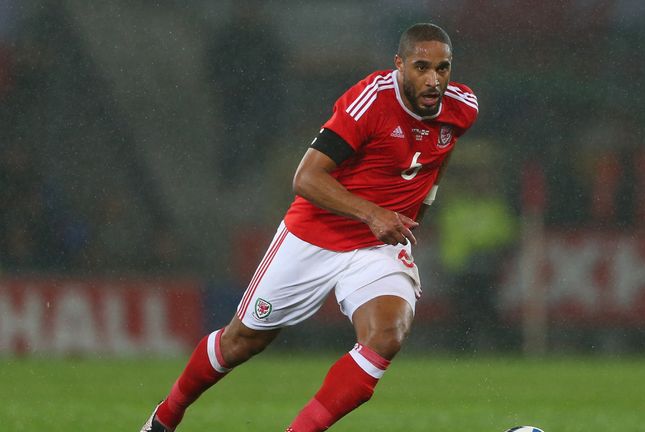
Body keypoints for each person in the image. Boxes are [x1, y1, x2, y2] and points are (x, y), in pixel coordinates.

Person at [140, 22, 478, 432]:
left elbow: (437, 155)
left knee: (386, 335)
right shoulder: (368, 102)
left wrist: (423, 203)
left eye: (443, 69)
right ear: (399, 65)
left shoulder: (462, 107)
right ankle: (165, 417)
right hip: (315, 235)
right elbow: (306, 178)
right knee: (241, 341)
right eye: (422, 67)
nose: (433, 80)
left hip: (378, 247)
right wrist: (372, 213)